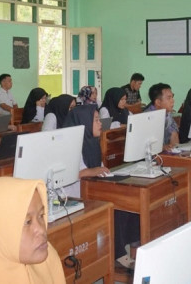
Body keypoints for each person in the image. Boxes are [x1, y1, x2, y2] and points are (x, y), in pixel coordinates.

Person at [61, 105, 139, 269]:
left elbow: (100, 169)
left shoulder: (92, 143)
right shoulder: (69, 146)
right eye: (96, 120)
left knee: (130, 201)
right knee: (114, 207)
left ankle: (135, 248)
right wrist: (93, 171)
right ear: (83, 122)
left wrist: (102, 172)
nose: (100, 123)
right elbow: (72, 174)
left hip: (92, 189)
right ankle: (119, 255)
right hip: (73, 197)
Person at [144, 83, 179, 150]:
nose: (173, 101)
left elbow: (174, 134)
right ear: (158, 102)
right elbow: (144, 146)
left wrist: (175, 151)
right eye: (169, 98)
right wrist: (161, 148)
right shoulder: (147, 118)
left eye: (172, 97)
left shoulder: (167, 114)